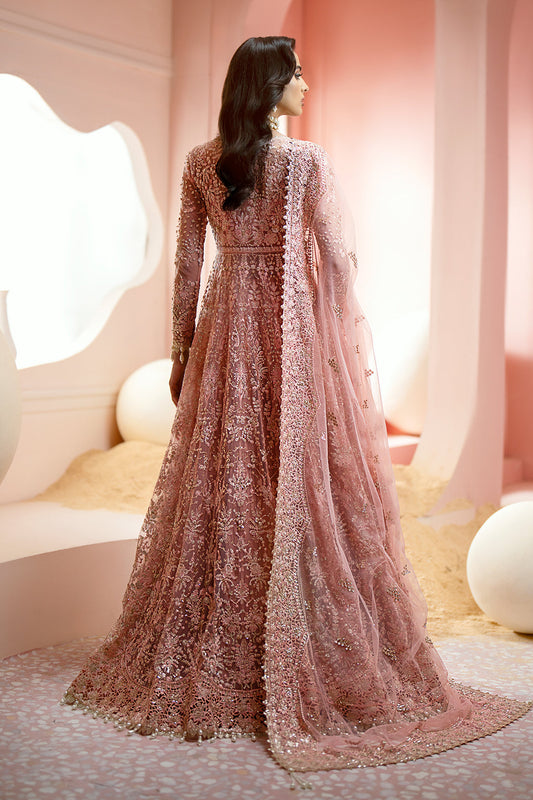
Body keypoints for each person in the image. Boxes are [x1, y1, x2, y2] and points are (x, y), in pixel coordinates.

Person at [62, 36, 530, 780]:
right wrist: (338, 345)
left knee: (226, 472)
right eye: (298, 74)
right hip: (290, 330)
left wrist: (181, 350)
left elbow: (187, 266)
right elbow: (336, 261)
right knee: (295, 472)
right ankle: (300, 632)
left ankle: (226, 638)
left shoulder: (200, 162)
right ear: (272, 82)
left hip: (224, 332)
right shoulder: (305, 163)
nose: (307, 86)